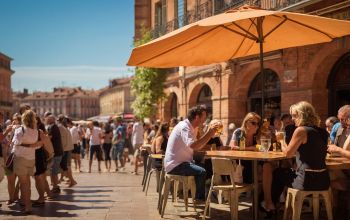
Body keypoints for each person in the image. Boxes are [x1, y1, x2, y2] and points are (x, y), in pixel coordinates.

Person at [271, 101, 330, 206]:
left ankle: (270, 205)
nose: (292, 119)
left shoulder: (301, 130)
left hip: (307, 180)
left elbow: (288, 154)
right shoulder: (323, 132)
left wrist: (280, 140)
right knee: (285, 172)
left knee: (278, 173)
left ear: (303, 115)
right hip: (324, 180)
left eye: (294, 115)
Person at [164, 104, 220, 202]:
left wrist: (207, 134)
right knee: (202, 171)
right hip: (176, 165)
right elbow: (194, 146)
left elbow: (198, 146)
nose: (205, 120)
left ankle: (201, 194)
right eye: (204, 117)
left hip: (182, 162)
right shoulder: (184, 127)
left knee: (205, 166)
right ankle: (199, 200)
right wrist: (209, 134)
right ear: (197, 117)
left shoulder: (192, 127)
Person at [12, 110, 44, 214]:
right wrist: (32, 145)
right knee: (28, 183)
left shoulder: (20, 129)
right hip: (31, 159)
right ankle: (28, 204)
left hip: (20, 158)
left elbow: (15, 143)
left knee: (24, 184)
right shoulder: (36, 131)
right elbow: (38, 145)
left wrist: (27, 145)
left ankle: (27, 206)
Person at [45, 113, 63, 195]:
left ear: (50, 120)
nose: (45, 120)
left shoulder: (53, 127)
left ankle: (55, 187)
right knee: (53, 171)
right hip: (57, 152)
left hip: (56, 152)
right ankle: (55, 187)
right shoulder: (53, 127)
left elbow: (49, 138)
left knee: (54, 171)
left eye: (47, 119)